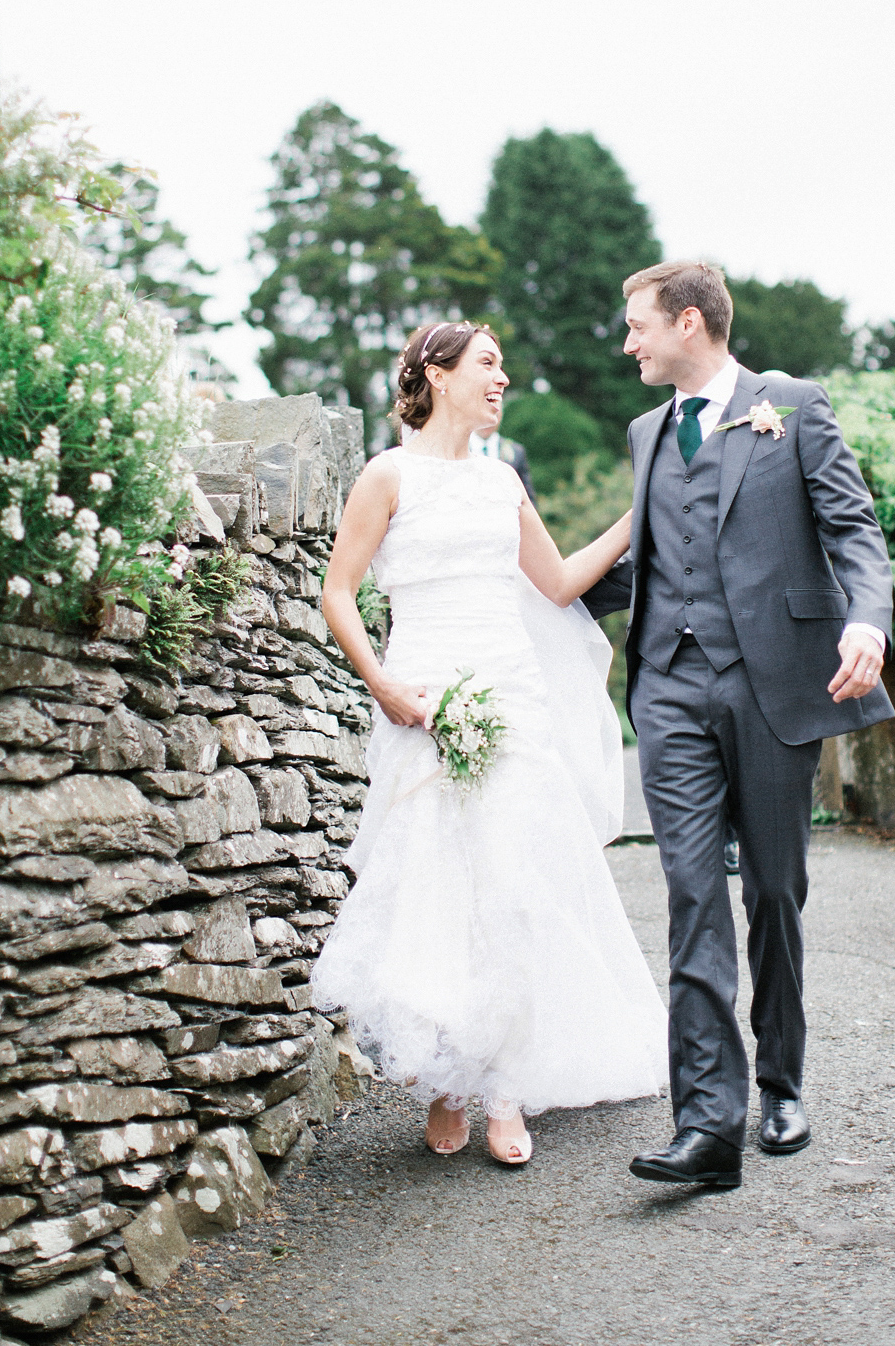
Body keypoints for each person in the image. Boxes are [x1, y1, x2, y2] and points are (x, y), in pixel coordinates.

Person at [312, 320, 668, 1166]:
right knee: (436, 888)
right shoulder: (387, 474)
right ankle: (445, 1081)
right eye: (486, 364)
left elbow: (557, 583)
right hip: (423, 698)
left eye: (503, 364)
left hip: (510, 695)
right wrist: (384, 685)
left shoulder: (502, 480)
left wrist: (637, 513)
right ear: (436, 375)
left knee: (510, 884)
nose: (501, 378)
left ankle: (505, 1090)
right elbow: (337, 591)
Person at [584, 261, 893, 1191]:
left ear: (688, 323)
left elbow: (854, 531)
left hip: (771, 685)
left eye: (638, 326)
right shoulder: (646, 430)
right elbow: (657, 554)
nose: (628, 343)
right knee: (688, 891)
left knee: (772, 889)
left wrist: (866, 618)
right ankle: (708, 1126)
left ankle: (782, 1080)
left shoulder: (789, 405)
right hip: (669, 690)